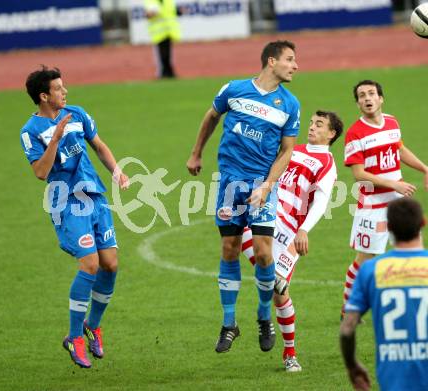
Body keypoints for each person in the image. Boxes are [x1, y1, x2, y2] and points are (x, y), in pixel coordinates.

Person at [186, 40, 300, 353]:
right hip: (229, 185)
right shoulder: (234, 90)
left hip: (262, 186)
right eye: (290, 59)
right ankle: (229, 323)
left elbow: (287, 150)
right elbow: (211, 116)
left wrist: (267, 185)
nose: (295, 65)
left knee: (264, 253)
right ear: (271, 61)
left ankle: (264, 316)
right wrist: (196, 154)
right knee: (229, 248)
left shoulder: (289, 104)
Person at [20, 66, 129, 369]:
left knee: (110, 264)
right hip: (67, 203)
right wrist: (54, 138)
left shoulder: (77, 113)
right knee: (90, 264)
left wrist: (117, 171)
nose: (64, 91)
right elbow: (40, 172)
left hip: (94, 196)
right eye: (57, 88)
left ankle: (92, 326)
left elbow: (99, 145)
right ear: (43, 96)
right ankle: (73, 337)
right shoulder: (30, 131)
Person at [241, 110, 344, 371]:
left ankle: (289, 354)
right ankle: (266, 310)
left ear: (331, 134)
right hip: (266, 213)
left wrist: (304, 230)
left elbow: (321, 203)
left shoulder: (326, 164)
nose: (312, 127)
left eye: (319, 125)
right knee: (240, 234)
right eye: (311, 122)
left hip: (289, 231)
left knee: (279, 292)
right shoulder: (293, 149)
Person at [341, 80, 428, 316]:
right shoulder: (354, 133)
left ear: (381, 98)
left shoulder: (391, 122)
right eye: (361, 95)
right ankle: (349, 307)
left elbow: (399, 149)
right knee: (364, 261)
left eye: (371, 93)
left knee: (412, 251)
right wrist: (394, 184)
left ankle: (413, 304)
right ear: (358, 103)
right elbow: (359, 174)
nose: (367, 98)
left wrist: (424, 168)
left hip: (398, 203)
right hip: (373, 205)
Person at [340, 197, 428, 391]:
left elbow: (347, 328)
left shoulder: (372, 270)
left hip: (393, 380)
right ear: (423, 223)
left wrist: (352, 366)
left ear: (389, 228)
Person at [144, 0, 181, 78]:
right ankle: (162, 73)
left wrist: (179, 11)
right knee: (161, 55)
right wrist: (150, 14)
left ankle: (169, 73)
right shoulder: (150, 1)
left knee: (168, 54)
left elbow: (172, 11)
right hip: (158, 32)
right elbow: (147, 14)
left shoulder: (168, 1)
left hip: (168, 31)